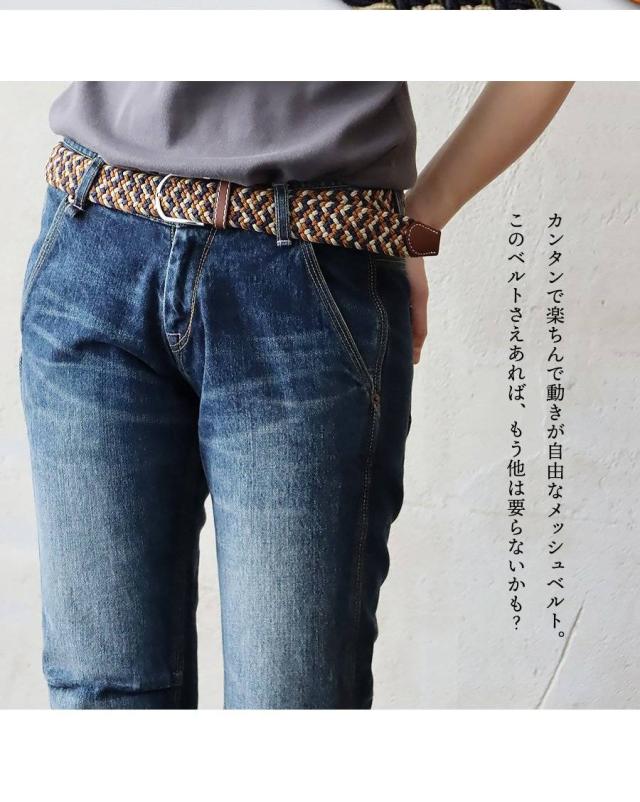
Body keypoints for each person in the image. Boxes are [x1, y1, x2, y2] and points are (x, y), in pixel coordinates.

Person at [20, 81, 573, 709]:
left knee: (290, 707)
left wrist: (422, 216)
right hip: (92, 237)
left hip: (311, 263)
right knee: (100, 700)